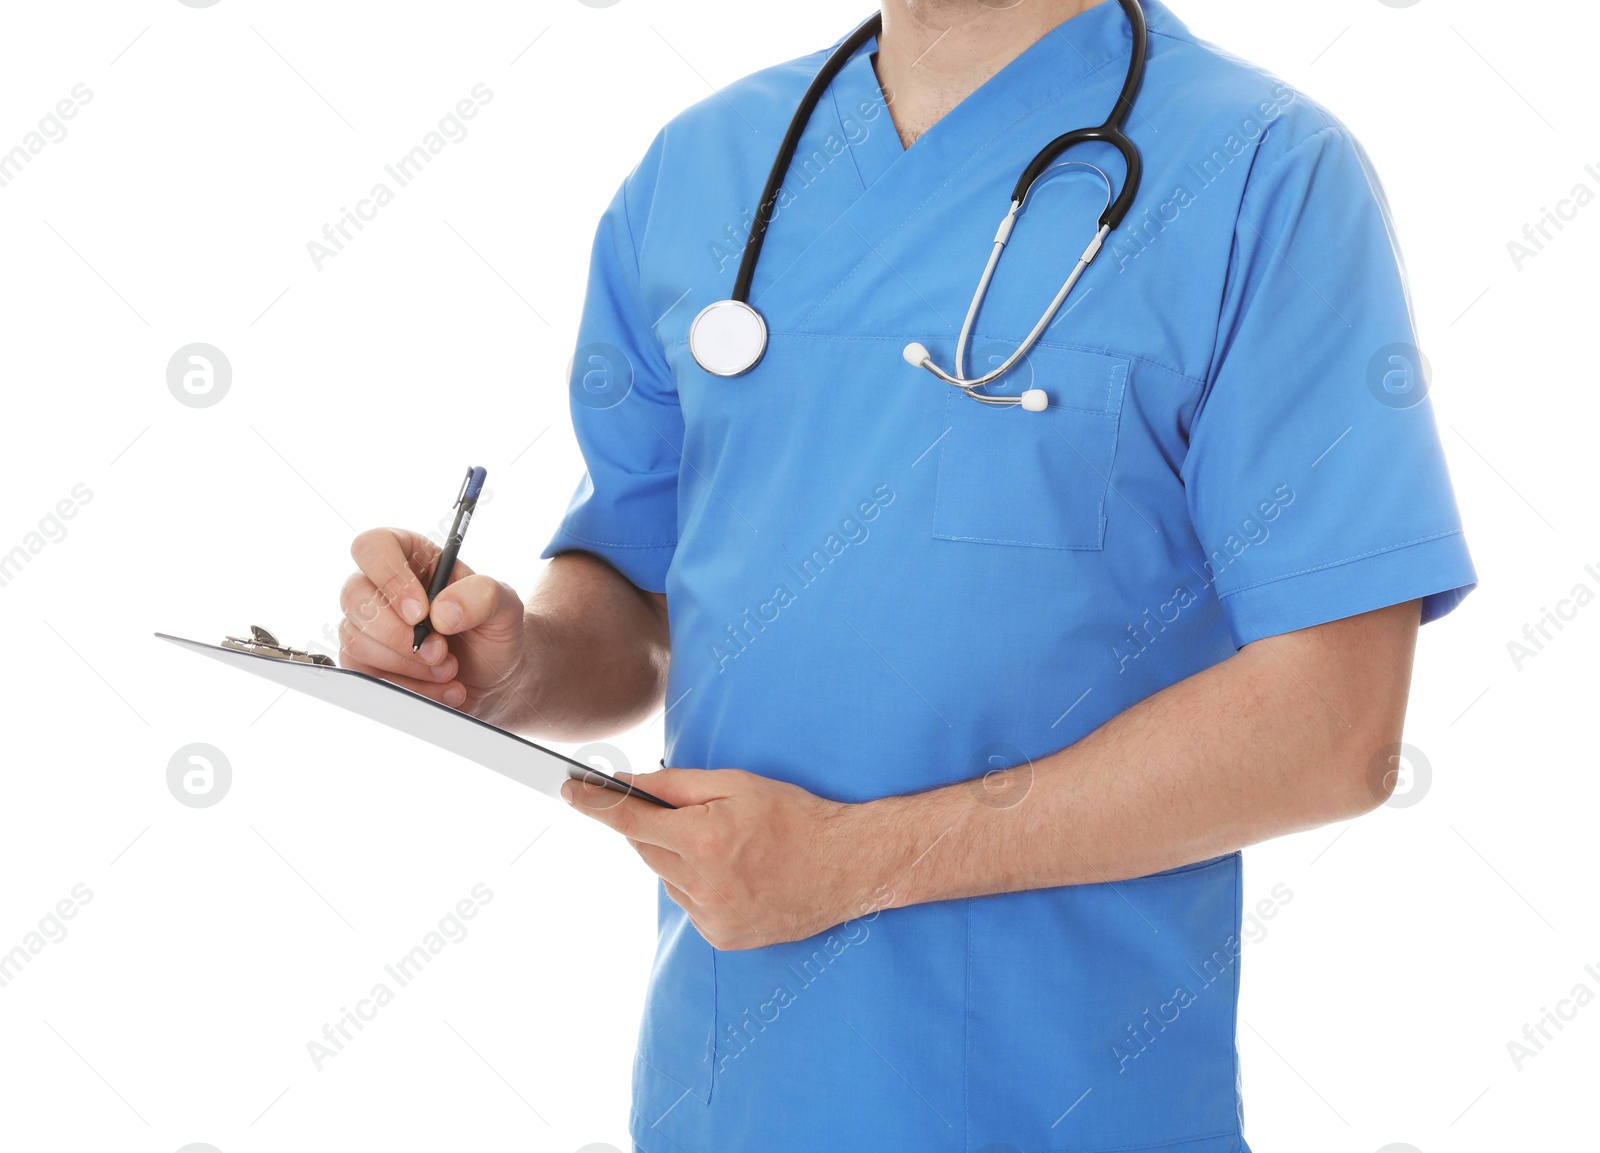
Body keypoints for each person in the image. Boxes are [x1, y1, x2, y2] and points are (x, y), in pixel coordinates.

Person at [338, 1, 1476, 1149]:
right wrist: (513, 664)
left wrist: (855, 864)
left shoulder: (1261, 173)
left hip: (1071, 1100)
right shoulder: (702, 167)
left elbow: (1334, 730)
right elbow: (636, 604)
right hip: (731, 1097)